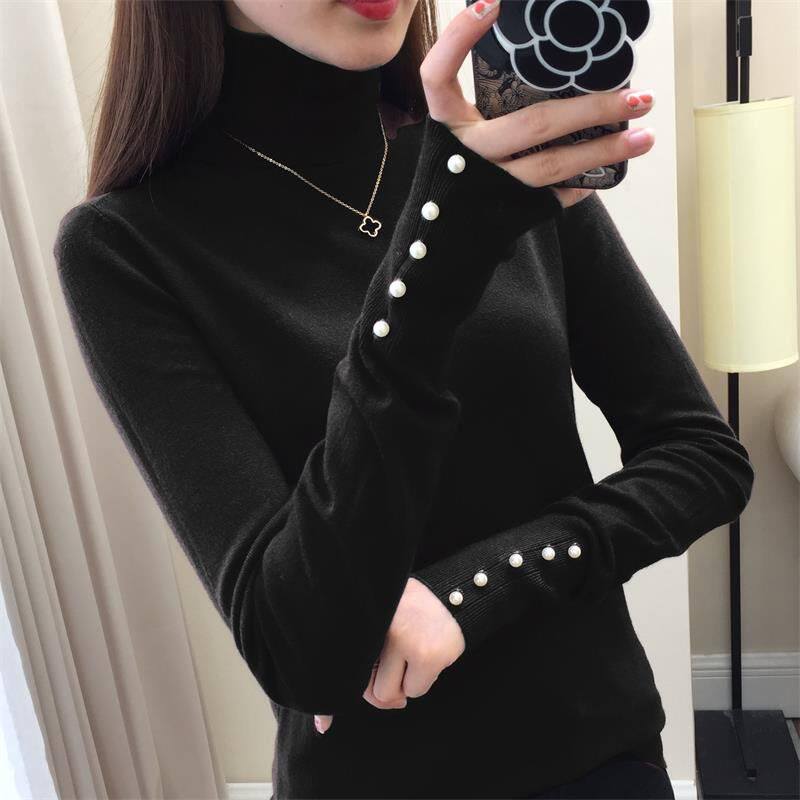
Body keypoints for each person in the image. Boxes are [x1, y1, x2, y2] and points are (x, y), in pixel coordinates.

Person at [52, 0, 754, 797]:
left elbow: (704, 458)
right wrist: (436, 259)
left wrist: (474, 590)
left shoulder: (493, 154)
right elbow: (303, 653)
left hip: (596, 751)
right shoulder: (126, 247)